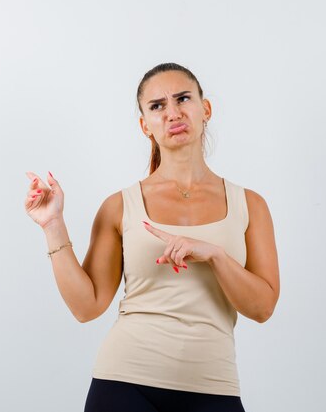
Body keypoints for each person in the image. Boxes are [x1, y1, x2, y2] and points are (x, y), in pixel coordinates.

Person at [24, 63, 280, 412]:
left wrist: (216, 255)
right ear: (145, 125)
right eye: (157, 106)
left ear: (205, 109)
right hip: (124, 383)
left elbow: (262, 307)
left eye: (183, 99)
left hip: (214, 385)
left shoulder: (249, 204)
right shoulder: (120, 206)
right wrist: (53, 223)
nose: (172, 112)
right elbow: (87, 306)